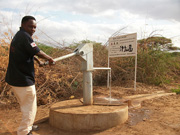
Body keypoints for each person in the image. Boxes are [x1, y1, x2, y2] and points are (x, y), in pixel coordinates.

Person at [5, 16, 55, 135]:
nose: (33, 29)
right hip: (23, 79)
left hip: (15, 78)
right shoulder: (25, 36)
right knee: (30, 108)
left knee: (26, 105)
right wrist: (49, 59)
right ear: (23, 25)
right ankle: (24, 131)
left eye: (34, 27)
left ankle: (28, 125)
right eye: (30, 26)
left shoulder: (19, 35)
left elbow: (29, 53)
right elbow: (36, 51)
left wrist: (38, 62)